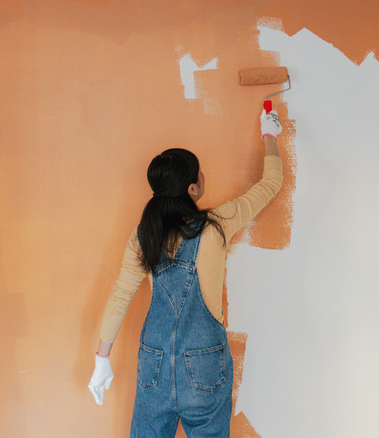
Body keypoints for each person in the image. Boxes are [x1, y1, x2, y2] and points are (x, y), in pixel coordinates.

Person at [88, 109, 284, 437]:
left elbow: (121, 294)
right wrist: (270, 135)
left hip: (155, 361)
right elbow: (271, 184)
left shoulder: (143, 235)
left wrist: (101, 360)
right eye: (200, 174)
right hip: (204, 365)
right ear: (193, 189)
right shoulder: (217, 225)